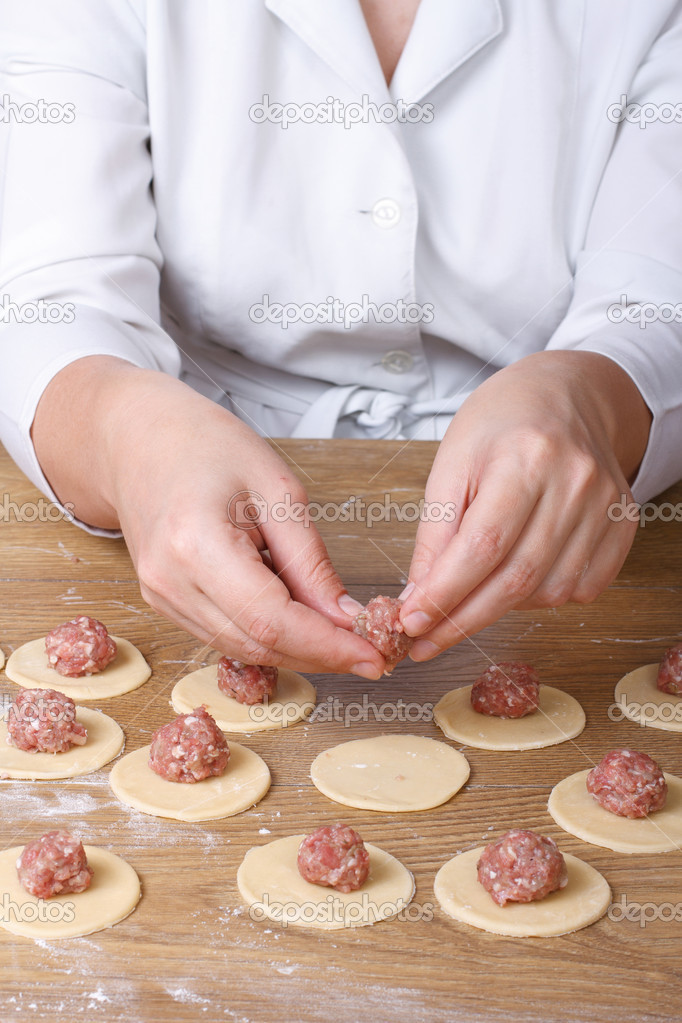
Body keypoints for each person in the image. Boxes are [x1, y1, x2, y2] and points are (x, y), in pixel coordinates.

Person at [0, 0, 680, 679]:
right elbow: (47, 300)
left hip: (570, 495)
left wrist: (592, 399)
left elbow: (655, 300)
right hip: (202, 451)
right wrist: (130, 435)